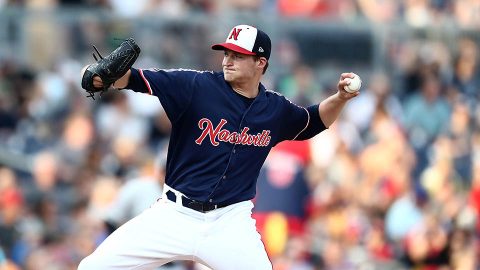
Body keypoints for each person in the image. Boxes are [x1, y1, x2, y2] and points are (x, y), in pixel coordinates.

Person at [78, 24, 359, 270]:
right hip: (174, 214)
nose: (228, 60)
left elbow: (314, 120)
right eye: (226, 53)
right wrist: (97, 75)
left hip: (229, 221)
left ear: (260, 62)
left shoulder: (274, 109)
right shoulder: (195, 85)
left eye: (238, 55)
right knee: (93, 267)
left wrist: (341, 97)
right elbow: (133, 79)